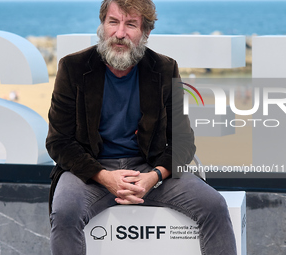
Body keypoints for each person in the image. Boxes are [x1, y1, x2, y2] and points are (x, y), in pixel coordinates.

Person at [46, 0, 237, 254]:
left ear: (146, 33)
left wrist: (153, 177)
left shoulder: (164, 68)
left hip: (147, 168)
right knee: (64, 213)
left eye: (131, 25)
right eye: (113, 22)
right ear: (102, 26)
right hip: (90, 170)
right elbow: (58, 141)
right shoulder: (73, 67)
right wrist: (103, 176)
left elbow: (183, 142)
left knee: (214, 206)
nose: (120, 33)